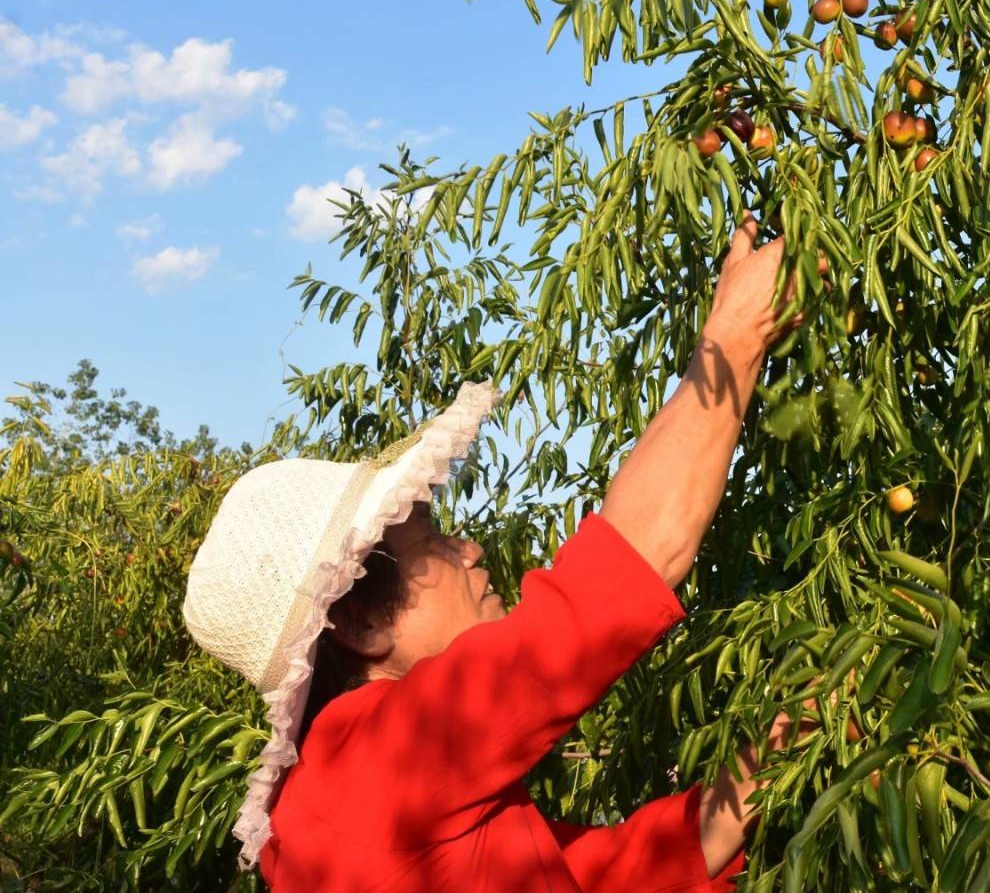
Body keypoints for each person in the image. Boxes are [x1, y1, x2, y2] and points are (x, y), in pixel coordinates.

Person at [182, 213, 826, 890]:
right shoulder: (383, 759)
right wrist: (736, 335)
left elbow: (619, 871)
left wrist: (799, 731)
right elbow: (627, 571)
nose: (470, 548)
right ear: (361, 624)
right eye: (431, 540)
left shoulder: (344, 807)